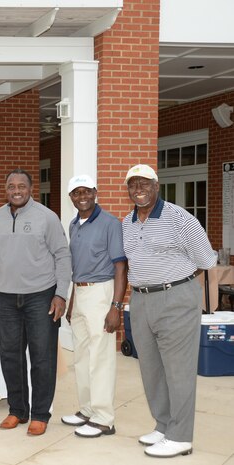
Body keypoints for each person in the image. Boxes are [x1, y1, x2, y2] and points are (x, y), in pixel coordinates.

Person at [122, 164, 216, 458]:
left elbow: (206, 259)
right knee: (151, 369)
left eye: (145, 184)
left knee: (178, 371)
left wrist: (177, 279)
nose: (139, 190)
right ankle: (164, 425)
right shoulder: (127, 221)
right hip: (140, 300)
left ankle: (180, 436)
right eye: (133, 185)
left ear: (156, 186)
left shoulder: (180, 219)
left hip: (175, 298)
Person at [0, 168, 71, 436]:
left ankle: (40, 414)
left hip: (41, 295)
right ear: (5, 189)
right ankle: (17, 410)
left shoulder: (47, 217)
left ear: (31, 189)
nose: (17, 190)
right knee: (10, 356)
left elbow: (62, 255)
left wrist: (61, 293)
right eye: (11, 186)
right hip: (7, 298)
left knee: (42, 356)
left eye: (22, 186)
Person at [60, 175, 126, 438]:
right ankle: (87, 410)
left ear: (95, 192)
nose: (82, 196)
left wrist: (116, 307)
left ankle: (104, 419)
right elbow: (77, 268)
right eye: (76, 192)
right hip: (80, 293)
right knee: (82, 357)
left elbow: (121, 267)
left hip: (101, 293)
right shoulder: (74, 224)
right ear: (71, 198)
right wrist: (72, 301)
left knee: (101, 358)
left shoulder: (110, 223)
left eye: (86, 191)